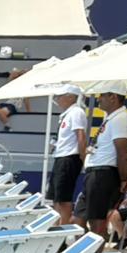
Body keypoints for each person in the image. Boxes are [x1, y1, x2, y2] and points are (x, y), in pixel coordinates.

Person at [77, 85, 127, 238]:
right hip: (96, 174)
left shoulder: (120, 119)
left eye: (102, 95)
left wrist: (124, 179)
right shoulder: (112, 118)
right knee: (79, 219)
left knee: (97, 225)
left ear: (113, 97)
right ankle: (87, 250)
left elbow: (123, 152)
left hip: (103, 175)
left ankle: (95, 252)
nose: (99, 98)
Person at [46, 87, 88, 226]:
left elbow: (81, 136)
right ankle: (57, 226)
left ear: (71, 97)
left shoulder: (76, 112)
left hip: (69, 157)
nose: (57, 99)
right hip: (62, 157)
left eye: (60, 96)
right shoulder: (67, 114)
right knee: (56, 198)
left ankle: (63, 229)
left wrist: (83, 158)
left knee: (63, 199)